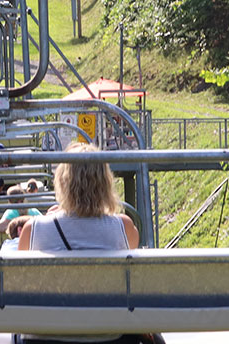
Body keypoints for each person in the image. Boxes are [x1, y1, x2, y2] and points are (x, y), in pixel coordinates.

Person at [17, 142, 144, 344]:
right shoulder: (124, 227)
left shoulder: (34, 229)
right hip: (106, 335)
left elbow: (20, 283)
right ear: (105, 182)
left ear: (62, 181)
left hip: (44, 336)